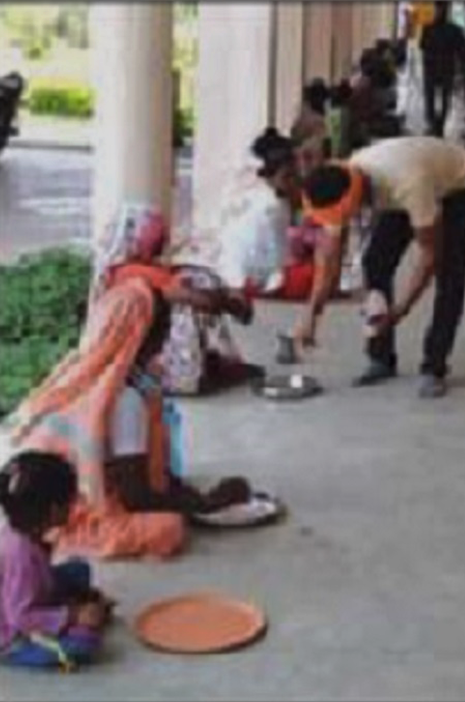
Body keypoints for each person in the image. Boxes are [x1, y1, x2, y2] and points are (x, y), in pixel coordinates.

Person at [7, 278, 253, 560]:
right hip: (61, 503)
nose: (169, 335)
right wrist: (204, 504)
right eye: (164, 327)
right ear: (142, 336)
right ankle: (67, 535)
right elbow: (137, 497)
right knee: (168, 528)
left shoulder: (84, 369)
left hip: (38, 486)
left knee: (165, 494)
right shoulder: (124, 399)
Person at [297, 136, 465, 398]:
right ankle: (381, 358)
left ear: (354, 200)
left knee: (449, 274)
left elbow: (429, 255)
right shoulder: (338, 180)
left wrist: (400, 310)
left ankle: (434, 366)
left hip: (460, 185)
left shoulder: (409, 184)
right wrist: (310, 317)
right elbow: (330, 260)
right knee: (375, 261)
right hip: (404, 181)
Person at [93, 202, 259, 396]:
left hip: (133, 362)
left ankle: (191, 364)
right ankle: (182, 374)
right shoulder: (138, 274)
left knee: (194, 278)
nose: (161, 244)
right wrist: (230, 301)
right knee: (195, 283)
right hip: (151, 364)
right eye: (155, 239)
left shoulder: (115, 272)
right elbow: (201, 301)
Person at [0, 452, 111, 670]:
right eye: (69, 501)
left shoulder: (23, 531)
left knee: (79, 569)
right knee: (85, 642)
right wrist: (72, 615)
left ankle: (68, 609)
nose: (74, 505)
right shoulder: (20, 556)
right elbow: (20, 617)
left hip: (25, 592)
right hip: (12, 633)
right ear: (53, 510)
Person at [216, 127, 320, 303]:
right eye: (287, 177)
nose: (294, 182)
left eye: (294, 176)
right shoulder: (272, 207)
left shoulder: (260, 197)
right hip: (257, 275)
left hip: (237, 269)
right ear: (270, 176)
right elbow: (277, 255)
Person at [420, 2, 465, 136]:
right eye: (439, 8)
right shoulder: (429, 28)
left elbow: (462, 52)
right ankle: (433, 123)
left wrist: (464, 72)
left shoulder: (453, 30)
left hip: (443, 70)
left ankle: (439, 125)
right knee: (432, 98)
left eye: (442, 8)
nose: (440, 10)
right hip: (437, 70)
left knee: (443, 98)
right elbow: (424, 50)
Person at [291, 79, 331, 176]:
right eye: (318, 96)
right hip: (310, 160)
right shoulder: (308, 116)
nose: (321, 99)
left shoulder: (310, 113)